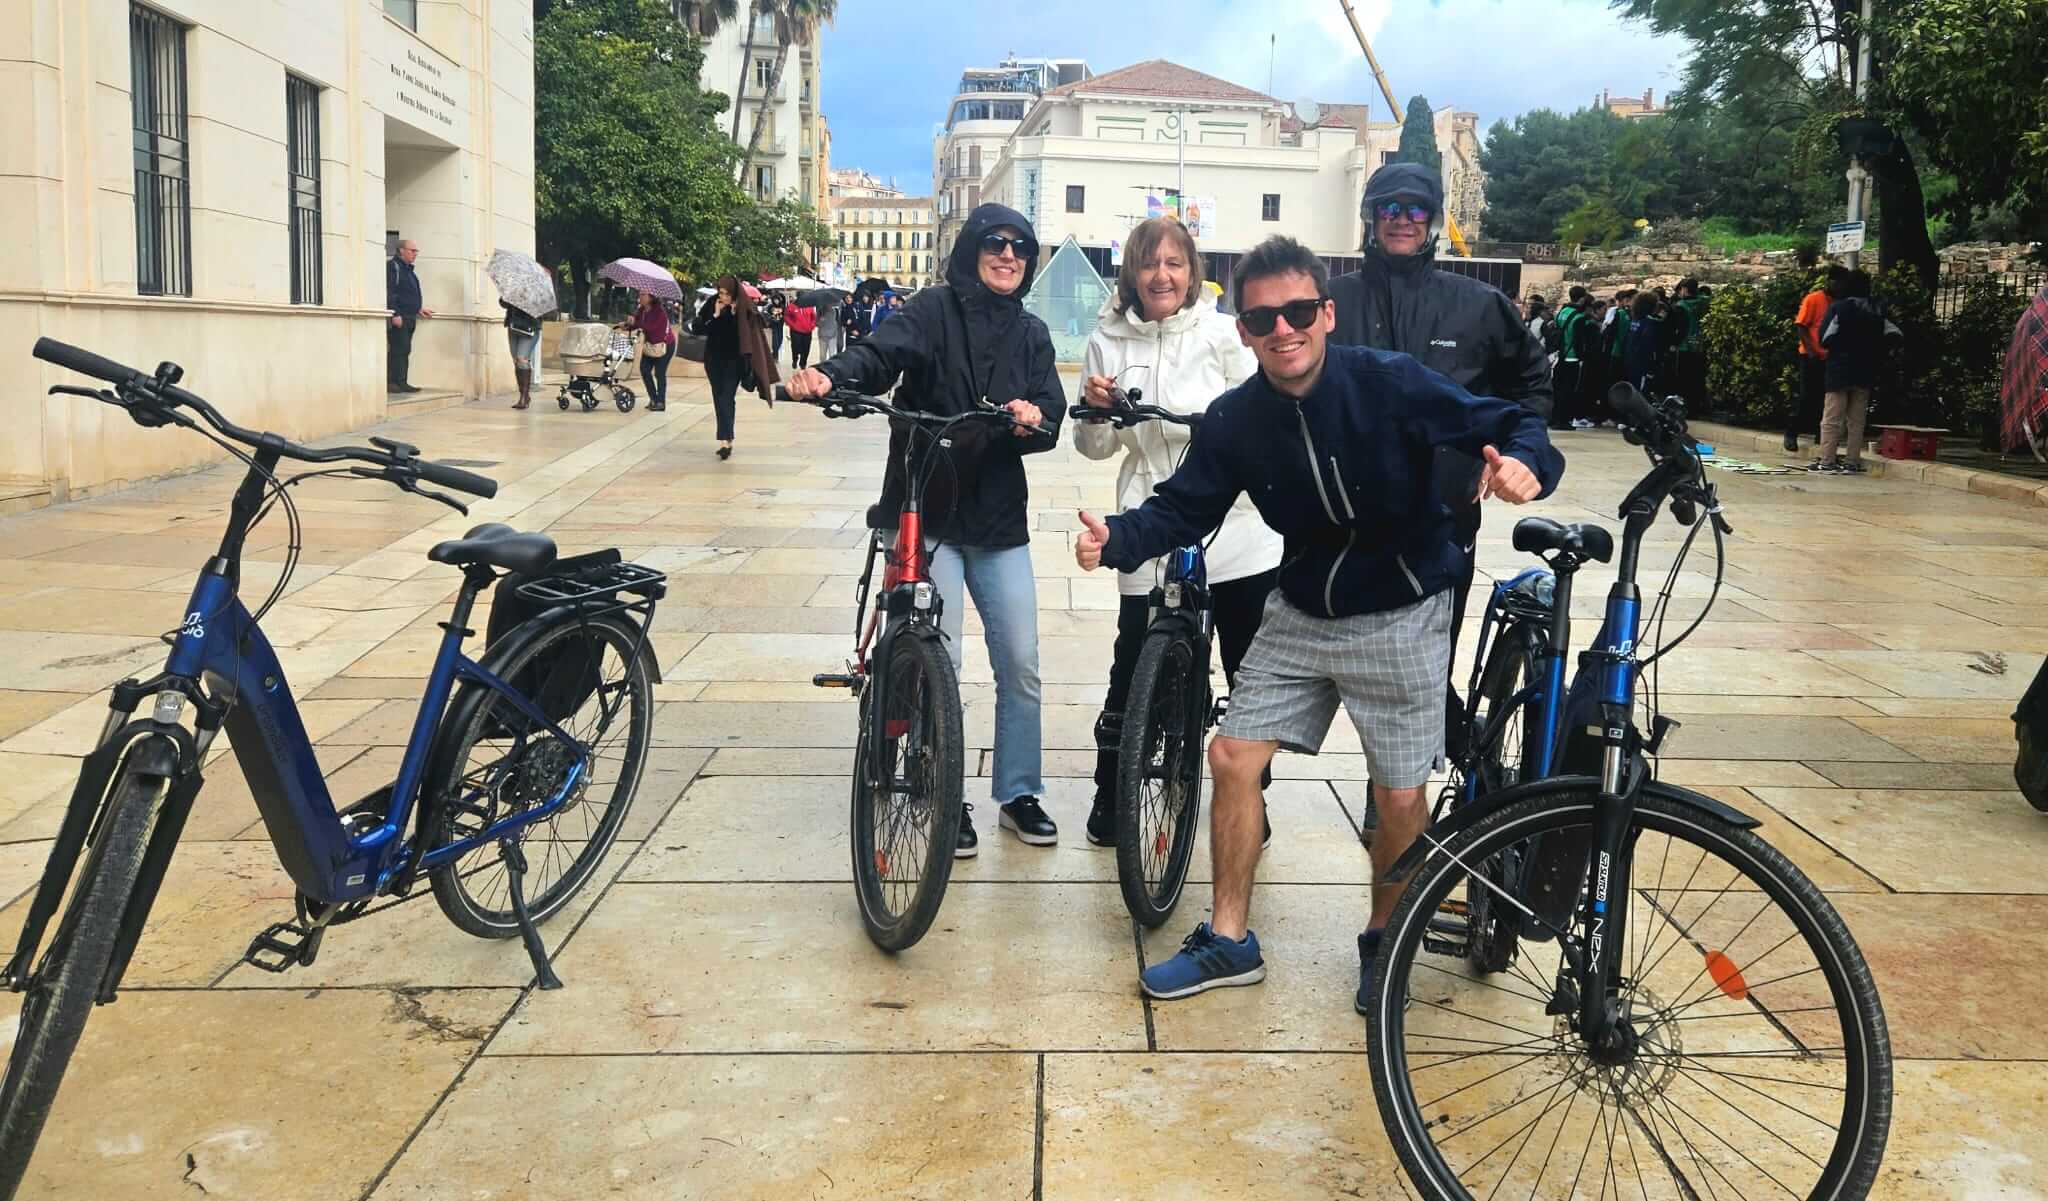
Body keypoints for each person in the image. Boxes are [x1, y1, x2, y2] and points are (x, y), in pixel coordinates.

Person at [1073, 236, 1563, 1003]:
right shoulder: (1237, 419)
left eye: (1299, 311)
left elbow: (1504, 416)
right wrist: (1117, 538)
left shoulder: (1390, 383)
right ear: (1243, 330)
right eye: (1263, 317)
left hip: (1402, 603)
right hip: (1302, 606)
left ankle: (1385, 940)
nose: (1283, 329)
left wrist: (1525, 461)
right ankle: (1230, 938)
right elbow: (1184, 503)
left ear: (1326, 314)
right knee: (1233, 757)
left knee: (1399, 793)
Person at [784, 204, 1067, 856]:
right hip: (925, 507)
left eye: (1020, 247)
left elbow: (1052, 412)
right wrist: (831, 375)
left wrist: (1033, 417)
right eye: (994, 243)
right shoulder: (931, 310)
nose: (1007, 255)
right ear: (971, 249)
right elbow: (882, 354)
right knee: (944, 656)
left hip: (997, 519)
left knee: (1020, 661)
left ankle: (1019, 790)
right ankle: (942, 791)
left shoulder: (1032, 334)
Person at [1324, 160, 1553, 867]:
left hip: (1441, 522)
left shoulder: (1477, 306)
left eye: (1415, 209)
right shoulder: (1335, 299)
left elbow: (1533, 387)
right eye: (1388, 206)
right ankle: (1449, 765)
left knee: (1421, 670)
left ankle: (1398, 802)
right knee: (1351, 666)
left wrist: (1517, 454)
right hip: (1343, 524)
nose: (1401, 217)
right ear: (1370, 216)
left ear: (1431, 222)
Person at [1074, 216, 1281, 848]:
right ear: (1132, 273)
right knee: (1132, 658)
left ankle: (1250, 794)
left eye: (1174, 263)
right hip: (1150, 512)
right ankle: (1113, 788)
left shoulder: (1222, 334)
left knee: (1250, 670)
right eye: (1148, 263)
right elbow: (1092, 445)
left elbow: (1262, 412)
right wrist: (1101, 411)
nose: (1161, 275)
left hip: (1235, 521)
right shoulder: (1107, 338)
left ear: (1192, 273)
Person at [692, 276, 778, 459]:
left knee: (727, 396)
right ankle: (726, 438)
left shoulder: (743, 308)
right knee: (718, 397)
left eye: (726, 294)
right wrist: (715, 315)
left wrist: (734, 315)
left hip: (734, 362)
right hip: (714, 361)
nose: (722, 297)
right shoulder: (712, 304)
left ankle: (726, 439)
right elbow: (698, 328)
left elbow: (756, 328)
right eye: (720, 293)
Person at [1813, 268, 1884, 474]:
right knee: (1857, 420)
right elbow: (1892, 334)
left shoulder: (1839, 308)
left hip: (1839, 370)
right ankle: (1852, 461)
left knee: (1832, 418)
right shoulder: (1876, 308)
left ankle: (1827, 460)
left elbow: (1825, 338)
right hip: (1866, 369)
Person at [1789, 266, 1846, 453]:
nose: (1839, 287)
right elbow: (1802, 326)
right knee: (1807, 396)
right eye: (1837, 283)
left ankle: (1819, 434)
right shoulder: (1813, 299)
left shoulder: (1840, 302)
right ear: (1830, 281)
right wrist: (1812, 351)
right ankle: (1792, 433)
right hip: (1810, 355)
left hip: (1830, 358)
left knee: (1826, 400)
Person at [386, 239, 434, 394]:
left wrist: (419, 309)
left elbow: (407, 293)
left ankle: (402, 381)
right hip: (400, 317)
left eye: (416, 251)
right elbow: (391, 291)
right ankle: (394, 382)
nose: (415, 254)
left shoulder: (408, 270)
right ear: (401, 251)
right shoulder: (393, 267)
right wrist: (395, 313)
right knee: (398, 349)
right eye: (412, 250)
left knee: (405, 349)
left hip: (410, 316)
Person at [620, 290, 675, 413]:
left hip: (664, 345)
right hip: (650, 346)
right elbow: (637, 324)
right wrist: (627, 325)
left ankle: (661, 402)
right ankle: (653, 399)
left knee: (659, 373)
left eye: (643, 295)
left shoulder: (659, 312)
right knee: (644, 370)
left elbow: (650, 327)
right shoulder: (641, 310)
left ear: (651, 297)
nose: (640, 297)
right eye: (639, 294)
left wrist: (636, 322)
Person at [1551, 286, 1596, 431]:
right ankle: (1564, 420)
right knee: (1568, 390)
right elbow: (1578, 341)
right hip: (1572, 357)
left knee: (1557, 388)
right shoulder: (1579, 317)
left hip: (1560, 355)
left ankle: (1554, 418)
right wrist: (1582, 356)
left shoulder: (1561, 312)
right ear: (1582, 298)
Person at [501, 300, 541, 410]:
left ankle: (523, 397)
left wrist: (524, 302)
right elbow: (503, 304)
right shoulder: (514, 287)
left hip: (530, 327)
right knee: (516, 361)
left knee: (521, 358)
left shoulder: (537, 290)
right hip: (513, 326)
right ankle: (524, 396)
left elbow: (546, 311)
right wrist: (506, 299)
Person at [784, 296, 818, 369]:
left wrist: (812, 326)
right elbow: (786, 316)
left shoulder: (809, 306)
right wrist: (792, 325)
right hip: (796, 332)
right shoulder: (792, 306)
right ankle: (795, 360)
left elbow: (814, 317)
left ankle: (803, 363)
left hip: (807, 331)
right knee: (795, 347)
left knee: (806, 348)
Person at [764, 291, 786, 361]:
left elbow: (786, 315)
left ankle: (775, 352)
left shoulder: (782, 306)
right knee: (775, 340)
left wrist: (783, 317)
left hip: (780, 325)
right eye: (774, 299)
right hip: (773, 325)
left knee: (780, 339)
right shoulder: (770, 306)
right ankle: (775, 355)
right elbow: (766, 314)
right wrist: (771, 317)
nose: (776, 301)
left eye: (777, 299)